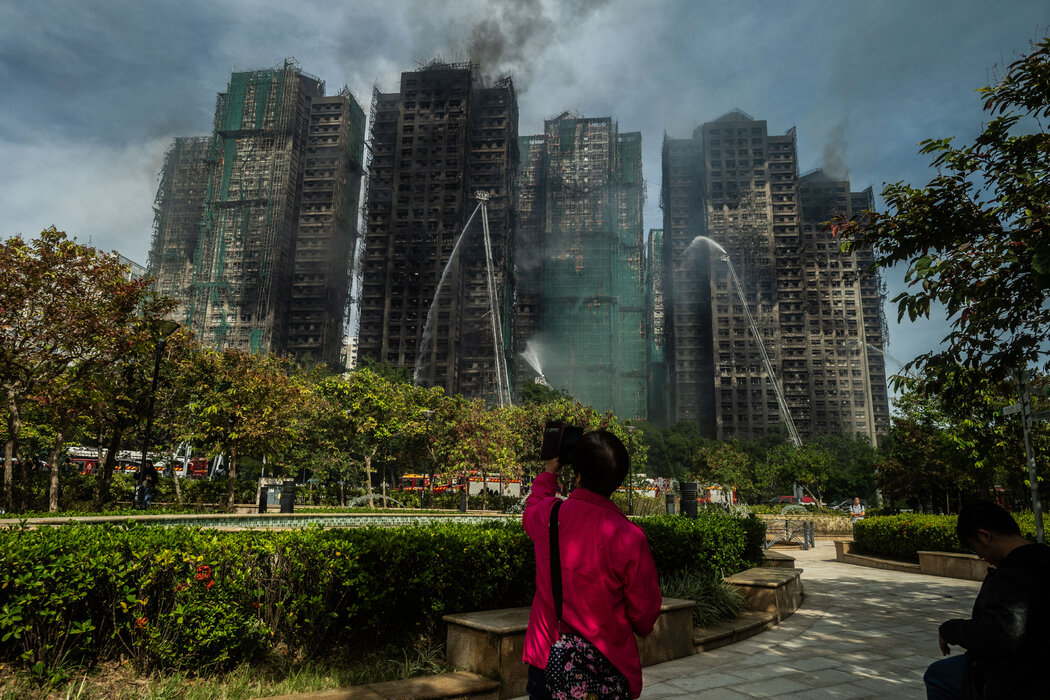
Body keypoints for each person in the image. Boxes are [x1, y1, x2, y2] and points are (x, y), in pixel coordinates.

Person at [522, 430, 662, 700]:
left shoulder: (550, 517)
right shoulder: (631, 538)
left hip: (548, 661)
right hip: (608, 669)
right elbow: (644, 616)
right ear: (618, 482)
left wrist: (550, 472)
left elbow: (530, 511)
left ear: (577, 474)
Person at [923, 501, 1050, 699]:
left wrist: (951, 629)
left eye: (975, 548)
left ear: (984, 536)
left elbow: (997, 635)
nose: (981, 557)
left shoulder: (1011, 578)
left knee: (938, 676)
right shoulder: (1041, 558)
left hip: (1021, 675)